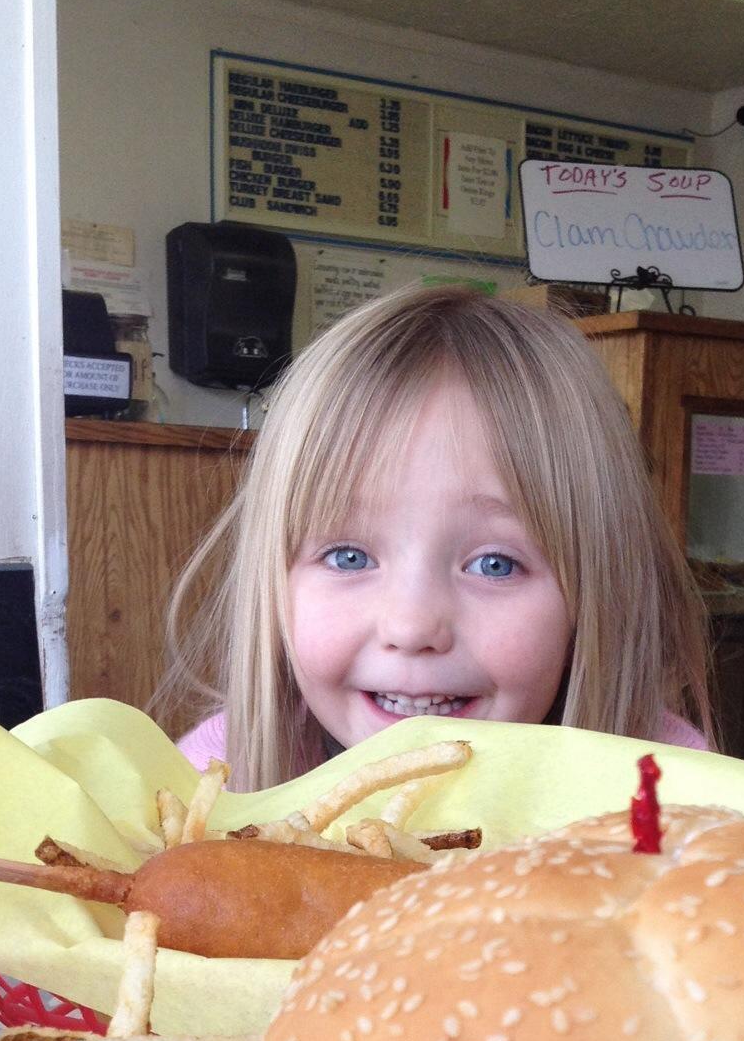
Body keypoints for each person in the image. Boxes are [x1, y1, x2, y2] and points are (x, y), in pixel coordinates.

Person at [160, 284, 714, 790]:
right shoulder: (214, 782)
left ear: (597, 595)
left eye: (494, 564)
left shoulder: (672, 791)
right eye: (348, 557)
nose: (411, 627)